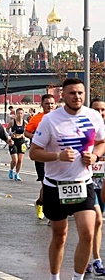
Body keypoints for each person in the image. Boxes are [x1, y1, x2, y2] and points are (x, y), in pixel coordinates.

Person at [29, 78, 105, 280]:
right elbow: (34, 153)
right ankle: (55, 277)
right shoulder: (51, 119)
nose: (77, 96)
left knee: (88, 234)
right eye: (72, 93)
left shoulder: (94, 116)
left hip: (83, 183)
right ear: (63, 95)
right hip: (55, 185)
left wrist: (96, 155)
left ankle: (77, 278)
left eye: (80, 93)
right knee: (60, 236)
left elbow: (101, 142)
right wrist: (57, 156)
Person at [25, 94, 56, 219]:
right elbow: (26, 132)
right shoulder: (37, 119)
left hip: (56, 155)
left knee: (56, 184)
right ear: (42, 105)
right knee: (46, 184)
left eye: (52, 103)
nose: (49, 106)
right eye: (47, 103)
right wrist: (36, 138)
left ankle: (41, 201)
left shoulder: (60, 117)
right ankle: (47, 209)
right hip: (41, 155)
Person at [88, 98, 105, 275]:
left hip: (103, 183)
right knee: (96, 219)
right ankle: (97, 260)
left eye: (103, 110)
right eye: (96, 110)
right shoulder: (83, 130)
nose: (100, 114)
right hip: (87, 182)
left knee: (96, 224)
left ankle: (86, 257)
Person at [7, 107, 28, 181]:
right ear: (16, 114)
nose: (20, 115)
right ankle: (11, 170)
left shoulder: (25, 122)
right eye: (18, 113)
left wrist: (25, 134)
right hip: (13, 141)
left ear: (23, 114)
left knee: (20, 160)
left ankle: (17, 174)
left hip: (22, 141)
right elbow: (6, 129)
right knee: (15, 160)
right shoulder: (12, 122)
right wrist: (10, 133)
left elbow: (28, 130)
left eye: (21, 113)